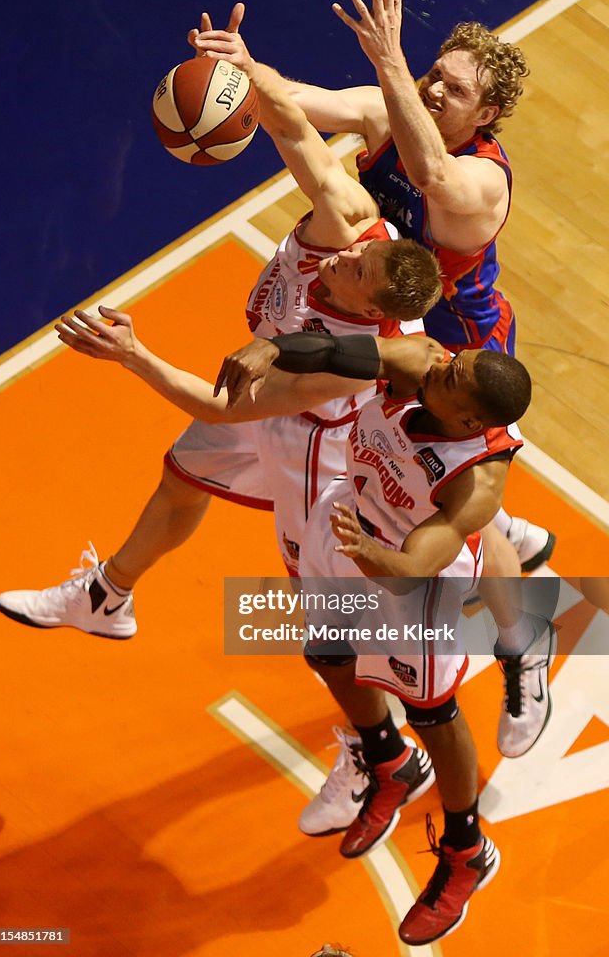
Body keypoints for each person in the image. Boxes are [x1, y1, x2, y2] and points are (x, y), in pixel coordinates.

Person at [0, 26, 441, 827]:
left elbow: (217, 404)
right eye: (345, 257)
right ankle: (108, 597)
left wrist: (131, 354)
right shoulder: (349, 217)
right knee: (180, 477)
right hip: (265, 396)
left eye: (350, 276)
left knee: (327, 622)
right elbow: (294, 130)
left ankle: (385, 753)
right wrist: (245, 66)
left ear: (372, 310)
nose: (335, 264)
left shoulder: (338, 357)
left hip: (316, 446)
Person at [188, 0, 555, 760]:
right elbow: (301, 103)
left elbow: (429, 176)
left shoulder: (483, 180)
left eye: (450, 92)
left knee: (460, 514)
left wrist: (392, 63)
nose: (429, 94)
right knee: (354, 458)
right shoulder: (387, 105)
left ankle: (523, 644)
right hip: (384, 325)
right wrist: (241, 70)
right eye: (430, 76)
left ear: (486, 116)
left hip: (459, 351)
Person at [217, 326, 541, 945]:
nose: (443, 363)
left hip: (407, 579)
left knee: (433, 711)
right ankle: (388, 760)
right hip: (349, 519)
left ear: (469, 417)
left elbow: (418, 562)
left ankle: (467, 849)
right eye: (455, 359)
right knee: (328, 653)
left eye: (454, 375)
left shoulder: (475, 483)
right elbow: (337, 350)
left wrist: (365, 552)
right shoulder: (424, 364)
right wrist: (272, 349)